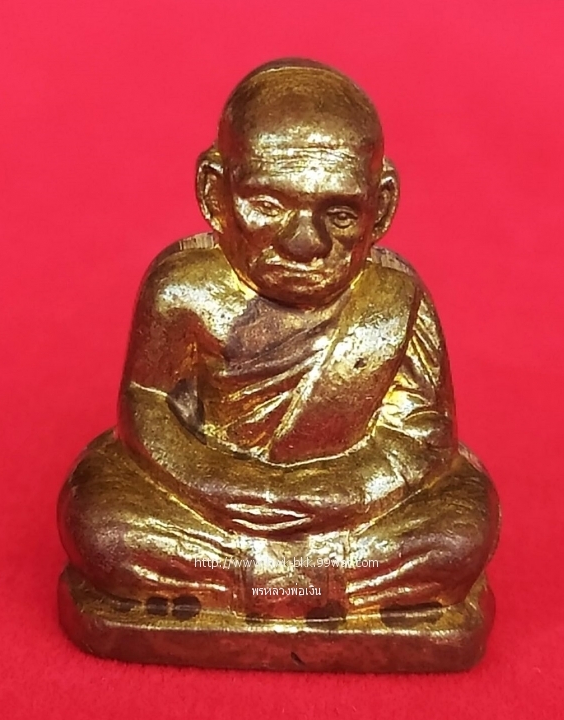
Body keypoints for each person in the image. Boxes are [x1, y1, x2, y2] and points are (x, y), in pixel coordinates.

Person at [58, 59, 499, 625]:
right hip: (211, 505)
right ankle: (321, 586)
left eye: (340, 214)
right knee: (98, 514)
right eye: (268, 206)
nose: (304, 243)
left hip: (346, 510)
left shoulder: (394, 299)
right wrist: (222, 483)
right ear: (215, 193)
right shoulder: (183, 290)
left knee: (462, 523)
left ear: (382, 206)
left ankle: (234, 582)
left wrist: (335, 494)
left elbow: (423, 440)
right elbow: (146, 406)